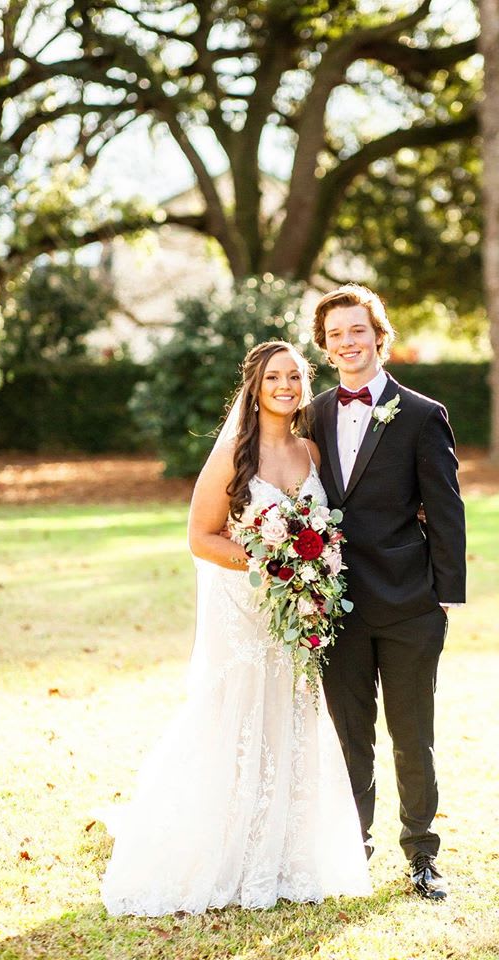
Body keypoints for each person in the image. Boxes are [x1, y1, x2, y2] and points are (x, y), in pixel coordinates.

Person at [99, 340, 370, 916]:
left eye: (294, 376)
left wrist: (309, 571)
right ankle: (221, 849)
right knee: (236, 715)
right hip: (245, 610)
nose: (285, 386)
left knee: (290, 713)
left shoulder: (311, 452)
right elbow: (201, 537)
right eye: (273, 377)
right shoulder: (233, 454)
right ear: (254, 386)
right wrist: (271, 561)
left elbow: (326, 526)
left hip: (297, 612)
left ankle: (286, 852)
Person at [308, 285, 466, 901]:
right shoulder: (312, 415)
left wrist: (444, 598)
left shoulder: (422, 415)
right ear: (325, 347)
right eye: (336, 335)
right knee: (351, 735)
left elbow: (446, 510)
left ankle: (422, 853)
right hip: (334, 604)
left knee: (411, 734)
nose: (348, 342)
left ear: (379, 336)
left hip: (408, 605)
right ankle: (353, 849)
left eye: (358, 330)